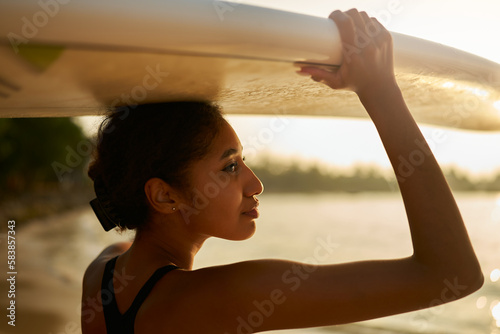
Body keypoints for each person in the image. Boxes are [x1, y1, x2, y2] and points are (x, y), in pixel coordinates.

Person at [81, 9, 483, 334]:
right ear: (165, 196)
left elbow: (122, 247)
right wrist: (380, 91)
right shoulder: (227, 297)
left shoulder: (100, 275)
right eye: (230, 166)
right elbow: (452, 273)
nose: (255, 183)